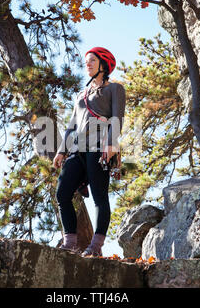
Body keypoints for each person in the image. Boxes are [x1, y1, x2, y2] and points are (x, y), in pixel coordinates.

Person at [53, 47, 126, 257]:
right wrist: (61, 151)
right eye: (86, 61)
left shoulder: (115, 89)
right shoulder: (80, 95)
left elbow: (117, 118)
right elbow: (71, 125)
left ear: (103, 65)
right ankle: (70, 243)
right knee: (62, 193)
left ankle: (95, 247)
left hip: (100, 148)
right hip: (77, 149)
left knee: (99, 198)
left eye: (92, 60)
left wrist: (111, 144)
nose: (88, 64)